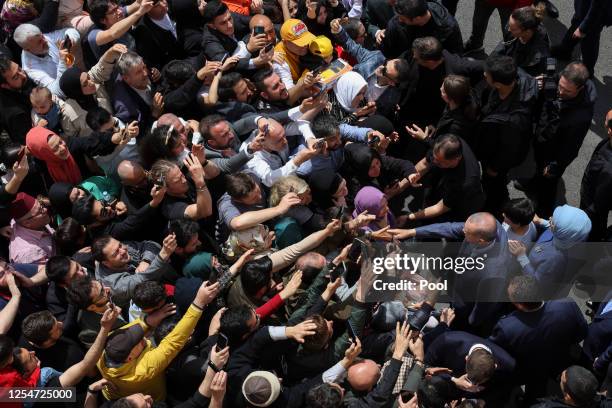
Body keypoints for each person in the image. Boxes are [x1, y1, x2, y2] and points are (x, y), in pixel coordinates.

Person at [97, 279, 220, 400]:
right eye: (137, 341)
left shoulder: (103, 353)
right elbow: (173, 342)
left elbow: (132, 328)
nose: (142, 337)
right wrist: (199, 303)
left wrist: (148, 321)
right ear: (129, 358)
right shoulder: (143, 370)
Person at [490, 275, 589, 402]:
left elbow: (496, 351)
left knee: (534, 393)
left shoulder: (507, 327)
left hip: (530, 368)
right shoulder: (567, 306)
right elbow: (582, 332)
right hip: (561, 358)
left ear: (519, 305)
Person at [523, 62, 597, 218]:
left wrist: (555, 165)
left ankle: (544, 211)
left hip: (554, 153)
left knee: (549, 184)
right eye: (560, 86)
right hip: (543, 138)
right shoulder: (561, 80)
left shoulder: (580, 117)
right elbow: (553, 75)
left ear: (580, 89)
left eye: (567, 91)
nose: (560, 92)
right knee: (538, 166)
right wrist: (545, 79)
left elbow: (571, 146)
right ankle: (534, 182)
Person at [475, 55, 538, 215]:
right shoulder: (512, 83)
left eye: (487, 75)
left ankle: (494, 207)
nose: (484, 75)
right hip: (492, 140)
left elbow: (508, 150)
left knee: (494, 182)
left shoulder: (514, 120)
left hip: (496, 159)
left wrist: (494, 168)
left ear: (497, 83)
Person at [507, 205, 591, 298]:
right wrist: (543, 222)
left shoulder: (553, 259)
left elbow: (536, 282)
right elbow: (563, 231)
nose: (550, 218)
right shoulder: (575, 235)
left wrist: (521, 256)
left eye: (553, 221)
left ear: (562, 232)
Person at [408, 134, 485, 222]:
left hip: (464, 202)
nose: (434, 161)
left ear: (456, 159)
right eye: (434, 157)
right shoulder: (450, 142)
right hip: (447, 180)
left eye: (439, 162)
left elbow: (439, 208)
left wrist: (409, 217)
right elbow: (425, 163)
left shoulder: (465, 182)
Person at [13, 23, 80, 98]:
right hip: (69, 95)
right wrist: (62, 61)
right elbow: (57, 91)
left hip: (77, 72)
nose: (45, 41)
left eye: (42, 36)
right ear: (28, 50)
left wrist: (70, 39)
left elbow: (71, 31)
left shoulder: (43, 38)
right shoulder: (30, 69)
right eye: (39, 42)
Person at [381, 0, 463, 59]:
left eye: (403, 19)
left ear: (417, 18)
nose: (399, 20)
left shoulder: (447, 27)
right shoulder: (396, 24)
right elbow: (389, 52)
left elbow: (455, 55)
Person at [551, 0, 612, 77]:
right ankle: (565, 50)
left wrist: (583, 28)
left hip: (596, 11)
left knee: (590, 37)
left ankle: (587, 71)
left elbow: (598, 6)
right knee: (577, 21)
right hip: (585, 6)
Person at [491, 4, 550, 77]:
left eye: (513, 29)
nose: (508, 29)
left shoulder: (540, 52)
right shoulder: (511, 28)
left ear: (527, 31)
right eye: (509, 25)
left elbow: (545, 71)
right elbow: (504, 44)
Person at [580, 109, 612, 241]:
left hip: (593, 206)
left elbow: (601, 202)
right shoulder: (607, 142)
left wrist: (585, 214)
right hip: (593, 196)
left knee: (593, 228)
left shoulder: (609, 169)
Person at [8, 192, 55, 265]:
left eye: (42, 205)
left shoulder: (29, 220)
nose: (45, 209)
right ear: (27, 223)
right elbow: (53, 273)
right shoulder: (29, 253)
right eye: (40, 210)